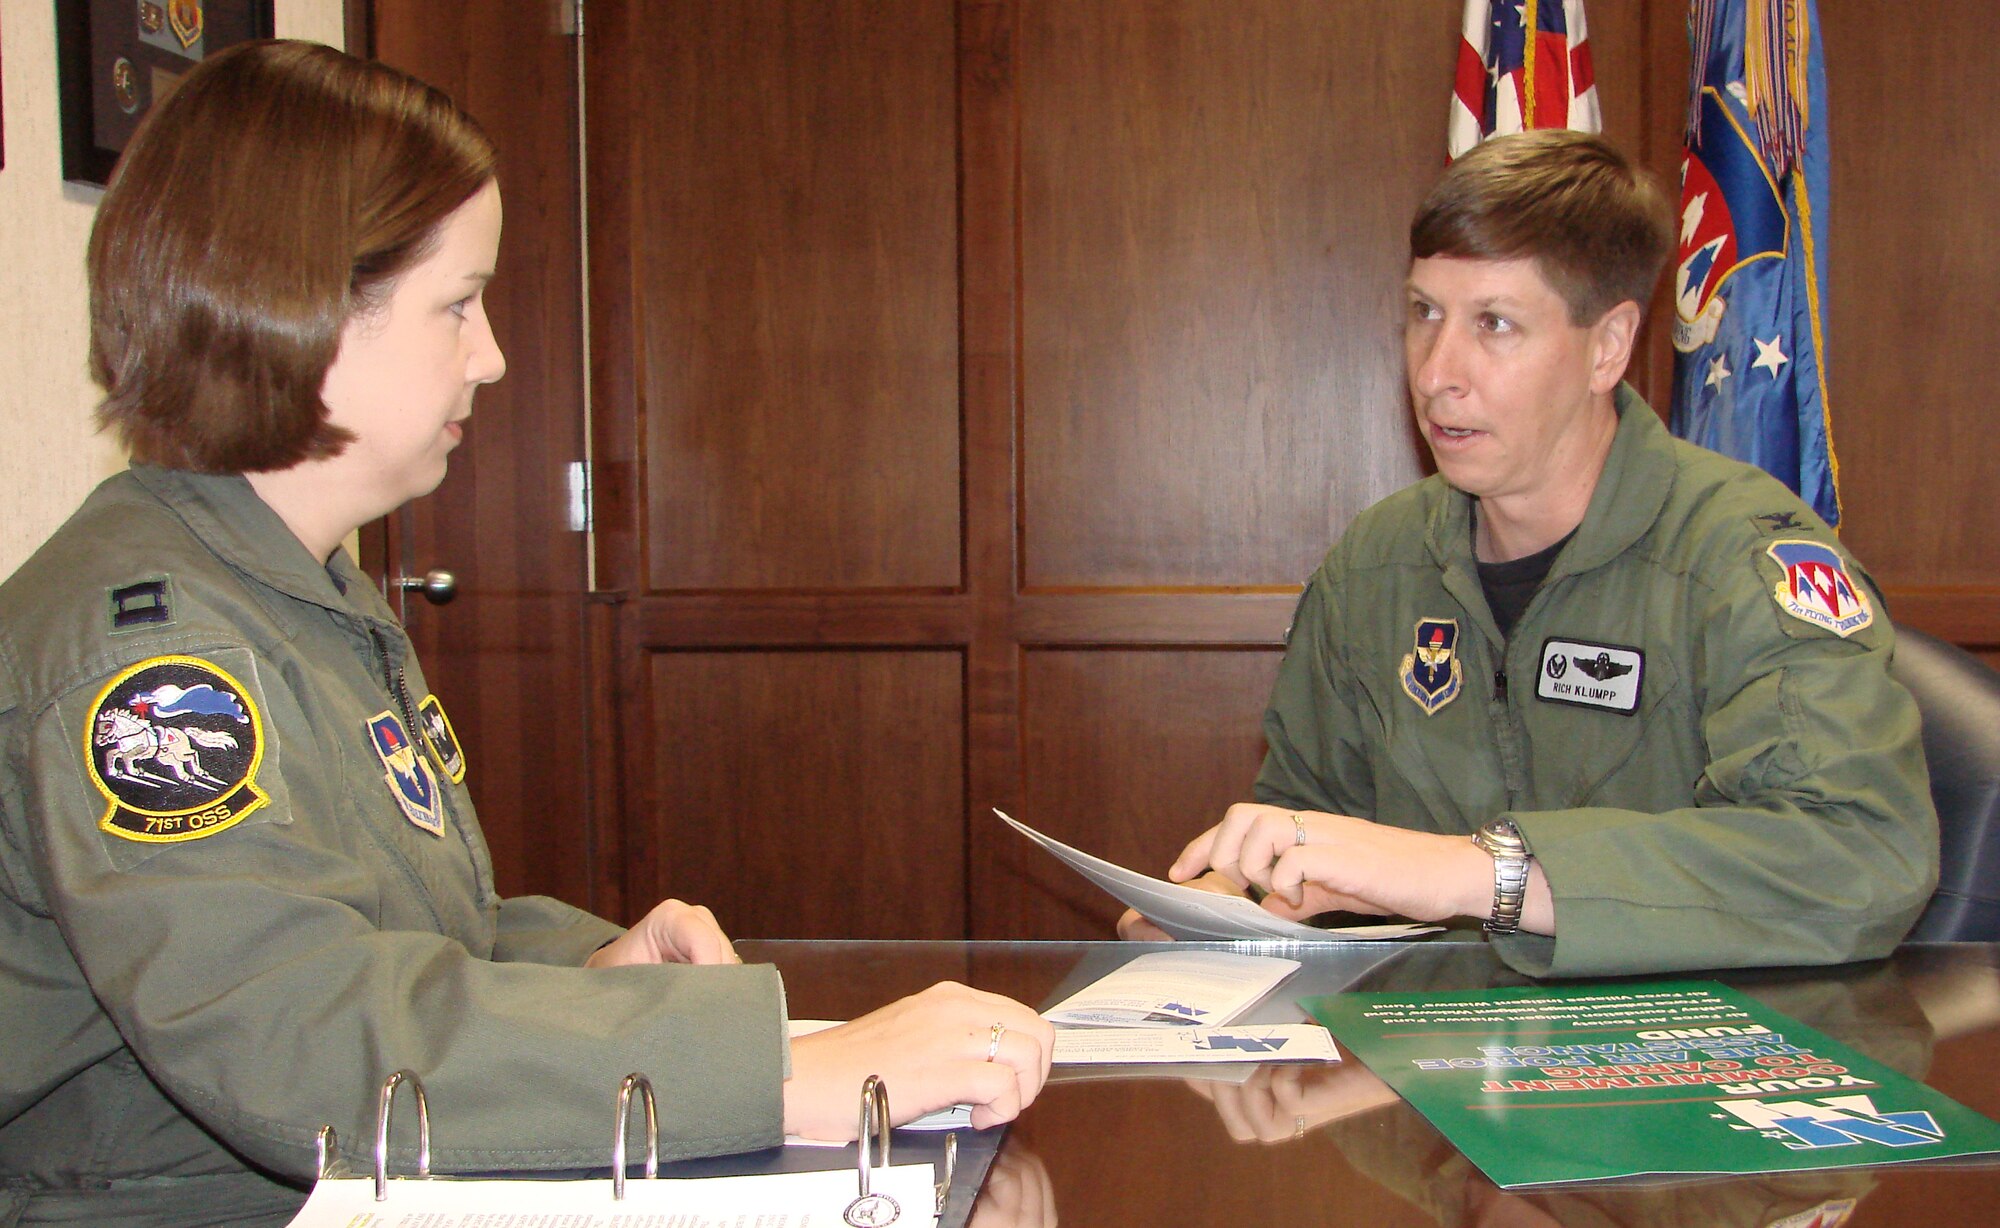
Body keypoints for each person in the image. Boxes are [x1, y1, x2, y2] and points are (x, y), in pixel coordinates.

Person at [0, 40, 1051, 1222]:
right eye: (458, 305)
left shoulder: (296, 593)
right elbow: (299, 1035)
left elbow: (396, 927)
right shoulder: (152, 664)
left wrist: (583, 970)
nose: (492, 357)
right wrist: (783, 1073)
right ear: (300, 309)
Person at [1121, 130, 1938, 976]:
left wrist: (1483, 875)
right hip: (1429, 1036)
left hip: (1685, 1040)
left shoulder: (1743, 559)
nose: (1437, 372)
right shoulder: (1375, 565)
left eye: (1496, 324)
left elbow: (1860, 856)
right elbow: (1312, 816)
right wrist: (1228, 900)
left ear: (1607, 347)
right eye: (1424, 313)